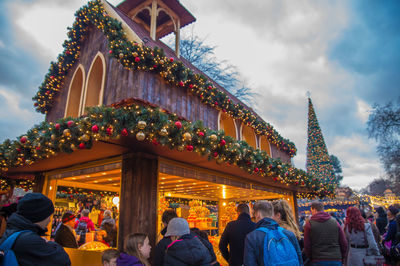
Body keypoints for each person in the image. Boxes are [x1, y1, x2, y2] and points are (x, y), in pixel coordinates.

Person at [0, 193, 71, 266]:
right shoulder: (28, 240)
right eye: (48, 216)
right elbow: (63, 260)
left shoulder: (13, 231)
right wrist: (50, 243)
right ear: (40, 216)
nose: (49, 220)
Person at [244, 200, 303, 266]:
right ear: (272, 214)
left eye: (254, 215)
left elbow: (249, 263)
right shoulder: (289, 234)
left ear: (258, 214)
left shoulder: (252, 237)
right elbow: (299, 260)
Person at [303, 201, 347, 266]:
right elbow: (343, 242)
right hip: (335, 259)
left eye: (311, 210)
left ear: (314, 209)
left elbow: (307, 245)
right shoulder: (335, 222)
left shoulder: (309, 224)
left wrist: (311, 257)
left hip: (318, 259)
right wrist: (342, 258)